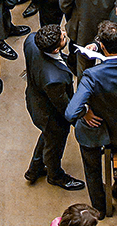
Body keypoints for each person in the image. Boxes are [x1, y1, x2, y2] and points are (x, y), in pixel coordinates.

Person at [65, 20, 117, 218]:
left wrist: (85, 111)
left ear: (102, 46)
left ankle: (100, 209)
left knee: (93, 171)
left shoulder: (91, 75)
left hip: (94, 132)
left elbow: (71, 112)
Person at [25, 23, 86, 190]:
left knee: (47, 136)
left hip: (35, 99)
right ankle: (55, 175)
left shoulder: (31, 41)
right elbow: (64, 106)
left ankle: (34, 169)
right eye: (63, 37)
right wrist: (80, 120)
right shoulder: (54, 79)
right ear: (54, 50)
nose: (65, 33)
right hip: (51, 115)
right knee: (55, 143)